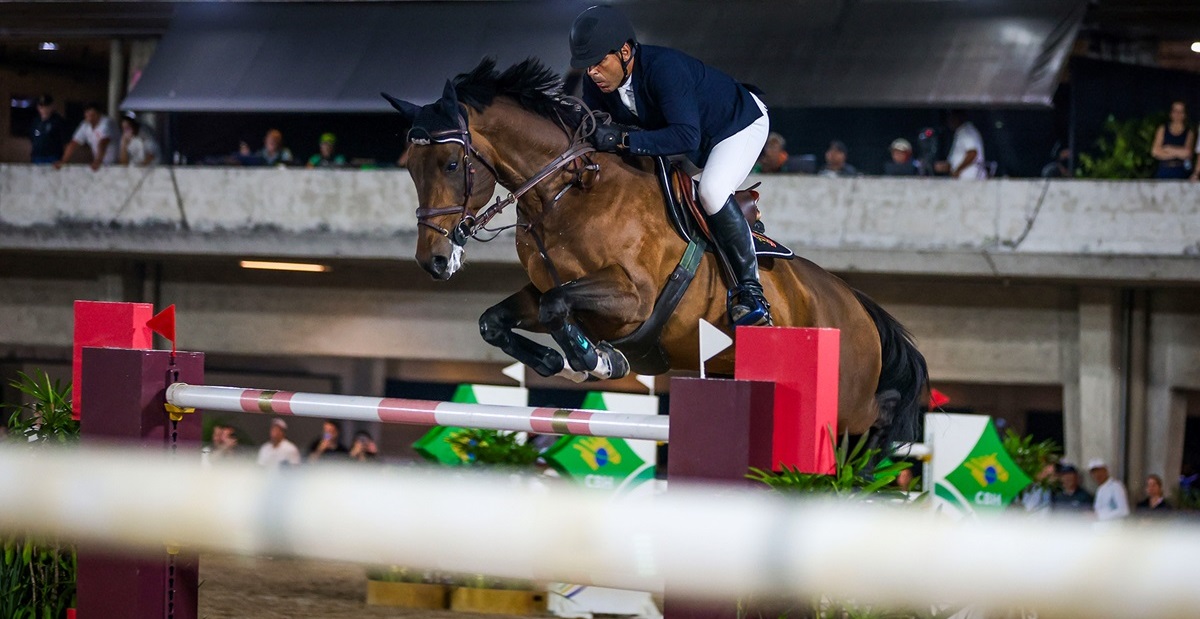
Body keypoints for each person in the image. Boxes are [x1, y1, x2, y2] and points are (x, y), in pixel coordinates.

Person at [569, 5, 770, 326]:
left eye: (598, 63)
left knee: (712, 192)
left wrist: (623, 142)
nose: (592, 72)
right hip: (685, 133)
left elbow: (686, 137)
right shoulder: (595, 85)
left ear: (624, 51)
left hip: (735, 124)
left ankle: (751, 290)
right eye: (587, 66)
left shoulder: (664, 69)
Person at [56, 102, 119, 171]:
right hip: (101, 165)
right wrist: (63, 161)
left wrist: (97, 161)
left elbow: (103, 143)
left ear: (98, 114)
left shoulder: (107, 123)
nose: (89, 115)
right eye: (87, 113)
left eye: (92, 113)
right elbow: (73, 144)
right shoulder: (85, 125)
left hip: (116, 164)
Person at [935, 110, 987, 180]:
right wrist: (944, 167)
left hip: (971, 179)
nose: (949, 121)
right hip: (962, 180)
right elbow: (955, 162)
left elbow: (972, 153)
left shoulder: (967, 131)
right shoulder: (959, 133)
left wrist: (958, 170)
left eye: (952, 118)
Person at [1151, 101, 1195, 180]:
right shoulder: (1162, 129)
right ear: (1171, 113)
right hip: (1164, 171)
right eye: (1175, 111)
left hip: (1181, 172)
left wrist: (1168, 149)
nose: (1177, 114)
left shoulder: (1189, 132)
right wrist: (1178, 153)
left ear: (1185, 114)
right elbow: (1155, 151)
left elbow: (1187, 153)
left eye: (1180, 111)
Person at [30, 94, 68, 165]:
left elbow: (65, 141)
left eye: (46, 106)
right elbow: (32, 138)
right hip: (37, 157)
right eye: (41, 106)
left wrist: (63, 159)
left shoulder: (58, 121)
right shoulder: (36, 122)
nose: (43, 109)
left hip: (53, 158)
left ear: (52, 106)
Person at [1088, 458, 1130, 523]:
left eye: (1099, 471)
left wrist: (1100, 516)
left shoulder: (1116, 486)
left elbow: (1124, 510)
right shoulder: (1100, 489)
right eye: (1094, 472)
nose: (1097, 474)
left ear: (1105, 470)